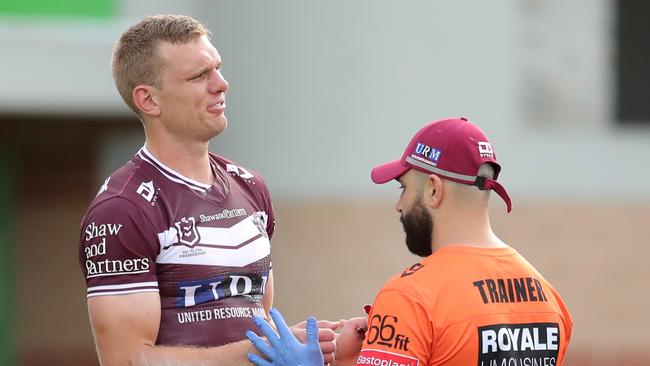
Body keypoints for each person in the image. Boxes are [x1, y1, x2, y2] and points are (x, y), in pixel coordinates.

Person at [78, 14, 337, 366]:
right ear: (149, 100)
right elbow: (127, 359)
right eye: (199, 76)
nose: (222, 84)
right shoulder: (122, 209)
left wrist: (326, 347)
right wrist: (263, 350)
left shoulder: (251, 186)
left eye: (218, 68)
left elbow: (255, 323)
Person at [248, 117, 573, 366]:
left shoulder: (410, 297)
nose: (399, 205)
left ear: (433, 189)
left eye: (403, 188)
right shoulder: (549, 299)